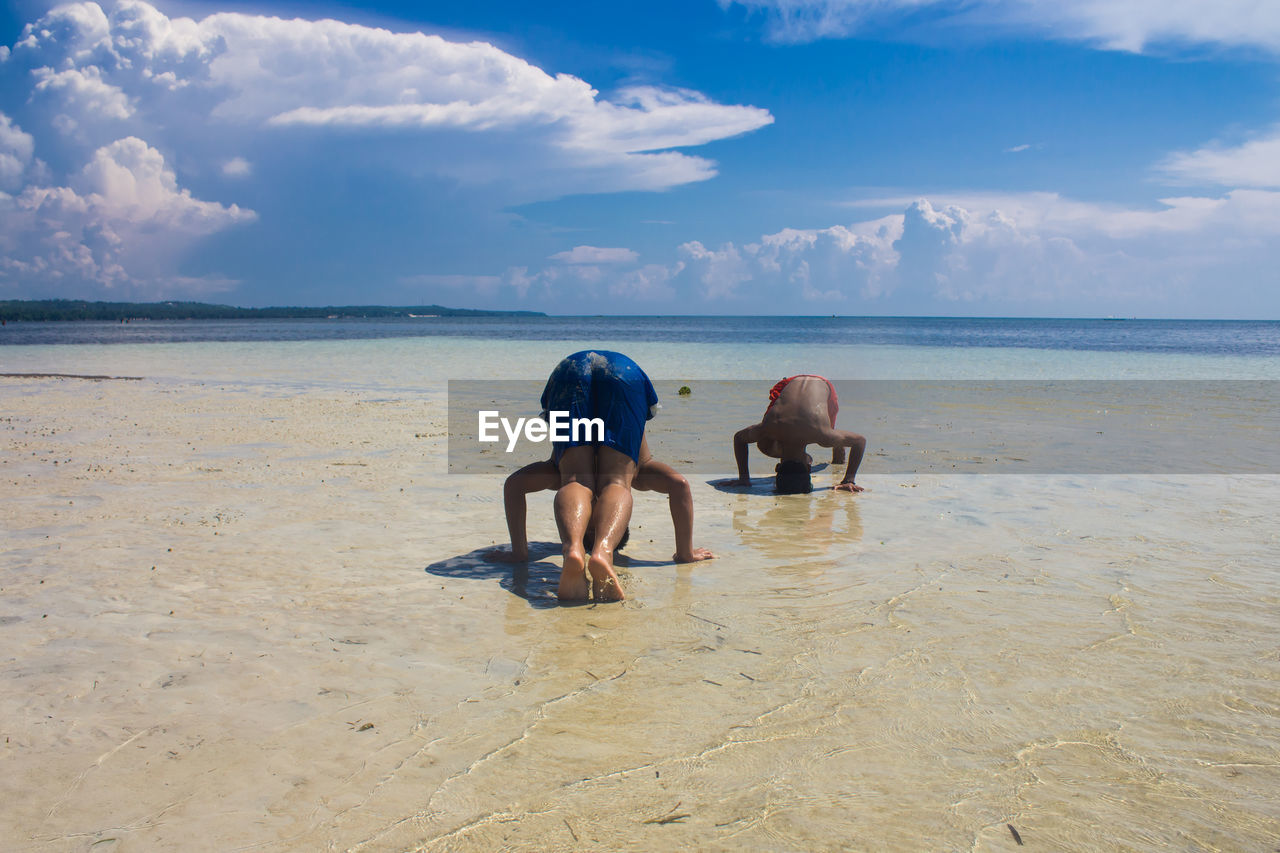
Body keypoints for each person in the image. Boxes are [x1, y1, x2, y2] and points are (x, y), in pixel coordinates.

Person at [492, 435, 714, 570]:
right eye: (598, 523)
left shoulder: (559, 475)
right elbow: (680, 486)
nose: (591, 512)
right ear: (617, 518)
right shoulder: (637, 474)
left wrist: (520, 552)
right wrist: (684, 553)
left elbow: (514, 485)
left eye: (586, 524)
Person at [728, 374, 867, 494]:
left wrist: (849, 479)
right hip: (790, 383)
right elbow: (739, 438)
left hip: (822, 385)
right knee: (766, 444)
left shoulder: (822, 434)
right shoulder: (768, 429)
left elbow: (860, 441)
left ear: (808, 467)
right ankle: (838, 444)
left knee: (833, 442)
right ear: (777, 467)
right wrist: (744, 478)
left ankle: (838, 449)